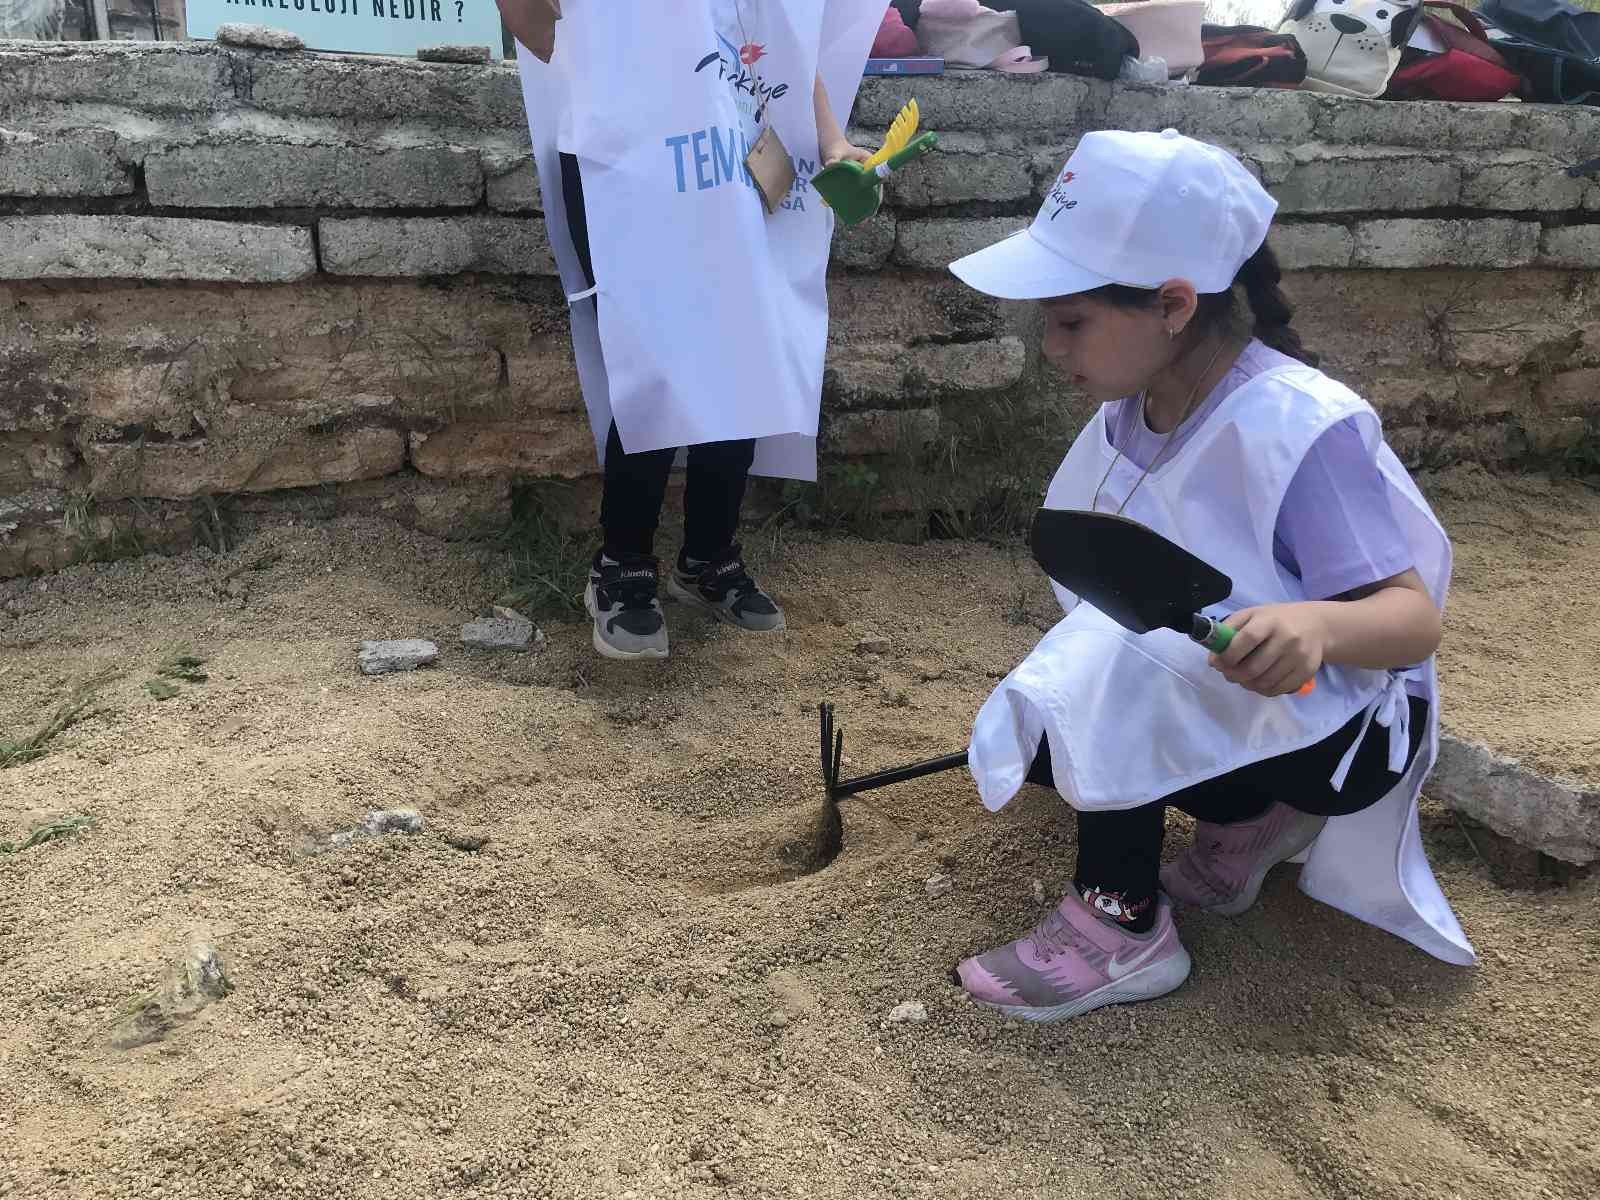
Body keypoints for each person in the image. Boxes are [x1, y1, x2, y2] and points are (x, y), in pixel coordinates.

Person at [944, 129, 1475, 1023]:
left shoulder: (1296, 427)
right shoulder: (1136, 406)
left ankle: (1122, 928)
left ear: (1174, 305)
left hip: (1351, 733)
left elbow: (1411, 622)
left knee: (1100, 679)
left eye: (1071, 321)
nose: (1051, 346)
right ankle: (1248, 819)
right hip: (1256, 692)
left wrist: (1315, 626)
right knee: (1041, 738)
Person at [500, 0, 883, 660]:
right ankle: (622, 565)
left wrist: (832, 143)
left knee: (746, 341)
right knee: (655, 339)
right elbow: (538, 35)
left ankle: (708, 556)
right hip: (624, 162)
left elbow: (787, 50)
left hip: (740, 156)